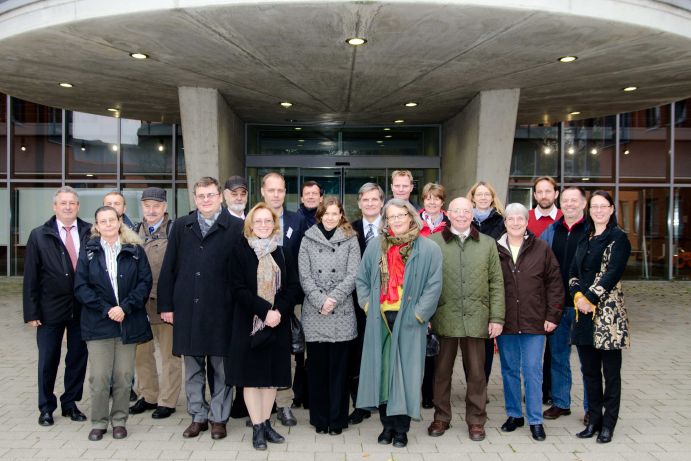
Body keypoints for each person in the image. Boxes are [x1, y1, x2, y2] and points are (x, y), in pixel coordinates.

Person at [158, 177, 243, 440]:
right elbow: (169, 267)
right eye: (201, 196)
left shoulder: (237, 227)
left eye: (210, 195)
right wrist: (166, 305)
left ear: (220, 197)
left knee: (220, 368)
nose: (206, 200)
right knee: (193, 367)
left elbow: (243, 271)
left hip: (222, 310)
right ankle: (198, 415)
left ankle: (219, 417)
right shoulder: (182, 226)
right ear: (194, 199)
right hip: (188, 308)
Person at [356, 199, 442, 449]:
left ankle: (401, 429)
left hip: (410, 321)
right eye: (391, 217)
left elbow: (434, 286)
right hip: (380, 319)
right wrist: (368, 305)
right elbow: (361, 279)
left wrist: (418, 315)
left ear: (411, 216)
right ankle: (386, 426)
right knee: (383, 374)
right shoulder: (376, 246)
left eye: (400, 215)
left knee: (406, 375)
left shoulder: (428, 248)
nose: (396, 220)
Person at [427, 197, 505, 442]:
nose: (461, 215)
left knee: (477, 374)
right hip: (444, 317)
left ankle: (476, 420)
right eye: (456, 211)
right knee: (441, 373)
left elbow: (496, 283)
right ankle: (441, 416)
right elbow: (425, 283)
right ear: (447, 213)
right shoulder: (433, 243)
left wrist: (497, 317)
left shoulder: (488, 244)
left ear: (472, 214)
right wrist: (426, 315)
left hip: (477, 318)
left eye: (466, 211)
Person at [74, 205, 153, 441]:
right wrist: (107, 309)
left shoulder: (135, 250)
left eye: (112, 220)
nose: (108, 224)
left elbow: (144, 283)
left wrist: (124, 307)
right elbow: (81, 287)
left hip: (128, 320)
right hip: (98, 322)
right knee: (99, 377)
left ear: (120, 222)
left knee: (123, 376)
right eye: (103, 221)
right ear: (96, 226)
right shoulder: (88, 251)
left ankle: (119, 420)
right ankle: (99, 422)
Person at [227, 203, 301, 450]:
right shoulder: (239, 251)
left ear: (274, 224)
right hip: (249, 322)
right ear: (250, 224)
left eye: (267, 221)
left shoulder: (282, 252)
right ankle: (257, 427)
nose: (263, 225)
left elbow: (292, 287)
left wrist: (278, 311)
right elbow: (237, 288)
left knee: (271, 378)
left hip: (276, 323)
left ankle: (267, 423)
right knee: (251, 378)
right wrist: (264, 311)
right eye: (258, 221)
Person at [23, 186, 90, 427]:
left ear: (78, 206)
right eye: (63, 203)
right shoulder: (39, 234)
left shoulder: (89, 231)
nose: (68, 206)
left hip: (82, 308)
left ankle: (71, 403)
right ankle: (46, 407)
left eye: (72, 203)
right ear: (55, 206)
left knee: (77, 358)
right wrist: (31, 312)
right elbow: (30, 275)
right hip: (50, 308)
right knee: (48, 358)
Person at [495, 203, 563, 441]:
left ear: (526, 222)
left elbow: (555, 284)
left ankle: (535, 419)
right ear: (505, 223)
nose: (515, 223)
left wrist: (552, 316)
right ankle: (514, 415)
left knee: (533, 370)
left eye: (520, 219)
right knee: (509, 370)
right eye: (510, 219)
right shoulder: (495, 250)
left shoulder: (541, 248)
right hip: (506, 323)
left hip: (535, 321)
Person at [570, 190, 631, 444]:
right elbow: (573, 271)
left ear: (611, 208)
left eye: (602, 206)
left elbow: (612, 273)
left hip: (608, 317)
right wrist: (576, 297)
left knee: (611, 374)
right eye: (594, 206)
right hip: (583, 315)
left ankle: (608, 424)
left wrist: (589, 298)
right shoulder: (585, 236)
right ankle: (593, 420)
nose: (598, 210)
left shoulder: (619, 239)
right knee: (590, 372)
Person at [299, 197, 361, 435]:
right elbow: (304, 276)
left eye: (335, 214)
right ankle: (320, 419)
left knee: (339, 371)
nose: (330, 218)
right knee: (317, 369)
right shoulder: (307, 238)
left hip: (341, 311)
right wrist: (320, 300)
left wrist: (332, 299)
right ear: (320, 215)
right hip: (316, 311)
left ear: (341, 215)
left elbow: (353, 274)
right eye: (326, 213)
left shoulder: (350, 239)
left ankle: (336, 420)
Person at [260, 172, 308, 425]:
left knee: (285, 354)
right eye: (271, 190)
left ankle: (285, 403)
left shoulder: (297, 221)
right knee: (258, 350)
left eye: (280, 190)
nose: (276, 195)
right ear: (263, 192)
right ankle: (261, 408)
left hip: (288, 298)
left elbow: (303, 260)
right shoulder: (252, 220)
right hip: (257, 300)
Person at [129, 188, 181, 420]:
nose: (151, 210)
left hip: (165, 303)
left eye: (156, 205)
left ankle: (167, 401)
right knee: (142, 354)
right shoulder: (131, 232)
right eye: (147, 205)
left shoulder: (175, 230)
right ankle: (148, 396)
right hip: (139, 305)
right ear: (141, 206)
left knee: (170, 355)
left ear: (165, 207)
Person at [540, 187, 590, 424]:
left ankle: (591, 407)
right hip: (558, 306)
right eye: (566, 201)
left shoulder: (592, 231)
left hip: (585, 307)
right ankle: (561, 402)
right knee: (558, 356)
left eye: (574, 200)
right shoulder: (552, 230)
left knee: (587, 359)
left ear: (583, 203)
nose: (569, 204)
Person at [348, 182, 385, 425]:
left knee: (384, 353)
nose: (370, 203)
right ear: (359, 203)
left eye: (375, 199)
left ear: (382, 202)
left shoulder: (394, 226)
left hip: (388, 302)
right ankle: (360, 404)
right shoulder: (349, 230)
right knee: (357, 355)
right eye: (366, 200)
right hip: (356, 303)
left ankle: (385, 403)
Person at [527, 176, 563, 404]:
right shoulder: (526, 219)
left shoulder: (563, 219)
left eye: (548, 191)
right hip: (530, 294)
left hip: (556, 292)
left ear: (556, 194)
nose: (543, 195)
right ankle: (534, 389)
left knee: (556, 351)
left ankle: (551, 392)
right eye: (539, 191)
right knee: (531, 350)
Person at [467, 181, 505, 383]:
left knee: (487, 339)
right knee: (470, 340)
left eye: (486, 194)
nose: (482, 198)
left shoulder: (502, 221)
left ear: (492, 197)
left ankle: (482, 382)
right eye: (479, 194)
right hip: (467, 283)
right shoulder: (464, 219)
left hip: (490, 283)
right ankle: (472, 381)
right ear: (472, 197)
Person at [418, 182, 450, 409]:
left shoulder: (452, 223)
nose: (432, 202)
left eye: (436, 198)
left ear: (442, 201)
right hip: (420, 288)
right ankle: (425, 393)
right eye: (428, 198)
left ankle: (438, 393)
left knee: (442, 347)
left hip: (447, 288)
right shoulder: (413, 222)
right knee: (423, 343)